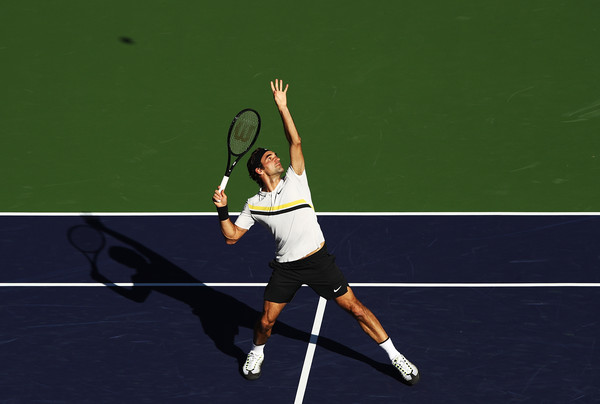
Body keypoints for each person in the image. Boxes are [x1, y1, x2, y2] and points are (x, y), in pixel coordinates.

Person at [212, 79, 419, 385]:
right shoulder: (254, 204)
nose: (277, 158)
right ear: (259, 170)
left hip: (318, 261)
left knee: (357, 310)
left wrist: (283, 107)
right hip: (287, 269)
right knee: (266, 322)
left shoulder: (296, 180)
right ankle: (257, 351)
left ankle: (395, 356)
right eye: (270, 158)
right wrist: (222, 209)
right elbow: (231, 237)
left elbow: (295, 143)